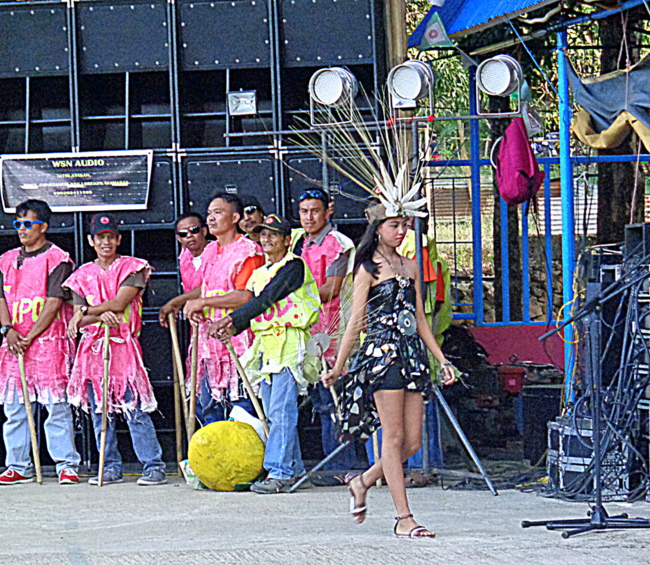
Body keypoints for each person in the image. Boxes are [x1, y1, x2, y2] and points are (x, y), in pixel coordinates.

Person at [322, 203, 456, 538]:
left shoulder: (412, 266)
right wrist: (339, 367)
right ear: (377, 228)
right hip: (382, 355)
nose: (401, 231)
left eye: (404, 225)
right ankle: (403, 518)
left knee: (411, 442)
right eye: (394, 225)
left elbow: (421, 320)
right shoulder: (366, 268)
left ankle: (363, 480)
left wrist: (441, 360)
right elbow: (355, 321)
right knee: (393, 438)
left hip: (411, 354)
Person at [210, 214, 321, 494]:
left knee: (281, 411)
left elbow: (267, 299)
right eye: (263, 234)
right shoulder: (260, 273)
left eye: (274, 234)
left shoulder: (294, 266)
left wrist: (231, 321)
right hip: (268, 346)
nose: (268, 239)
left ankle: (280, 471)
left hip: (289, 342)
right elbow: (259, 308)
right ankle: (293, 469)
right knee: (274, 412)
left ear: (287, 240)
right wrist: (233, 329)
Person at [64, 213, 166, 486]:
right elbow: (78, 320)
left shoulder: (132, 268)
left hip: (123, 346)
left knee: (135, 409)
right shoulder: (81, 276)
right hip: (92, 351)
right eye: (100, 237)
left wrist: (88, 310)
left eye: (111, 237)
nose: (106, 242)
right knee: (100, 413)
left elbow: (120, 304)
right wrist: (96, 316)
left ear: (119, 239)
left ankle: (153, 465)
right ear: (91, 241)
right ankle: (108, 466)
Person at [0, 199, 80, 485]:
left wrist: (31, 335)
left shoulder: (58, 258)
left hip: (47, 342)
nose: (22, 230)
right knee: (15, 407)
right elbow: (1, 298)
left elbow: (54, 301)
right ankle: (17, 465)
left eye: (28, 224)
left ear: (43, 227)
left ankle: (66, 464)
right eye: (18, 224)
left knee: (55, 405)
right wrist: (8, 330)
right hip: (13, 341)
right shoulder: (5, 259)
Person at [183, 193, 264, 424]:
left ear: (235, 217)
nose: (211, 218)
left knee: (243, 407)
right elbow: (207, 289)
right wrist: (192, 303)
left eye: (218, 213)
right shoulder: (209, 250)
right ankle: (217, 460)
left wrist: (204, 302)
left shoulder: (249, 251)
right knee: (208, 406)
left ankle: (246, 460)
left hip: (239, 339)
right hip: (210, 342)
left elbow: (244, 296)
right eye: (209, 213)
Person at [293, 188, 356, 472]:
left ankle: (342, 466)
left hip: (336, 332)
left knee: (337, 404)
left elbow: (333, 288)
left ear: (328, 211)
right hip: (311, 332)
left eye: (315, 210)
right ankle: (333, 466)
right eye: (304, 211)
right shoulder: (301, 242)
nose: (309, 217)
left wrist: (293, 298)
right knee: (321, 403)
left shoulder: (337, 243)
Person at [158, 212, 210, 325]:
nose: (189, 235)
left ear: (204, 231)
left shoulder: (218, 252)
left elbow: (210, 286)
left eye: (194, 230)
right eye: (183, 233)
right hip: (198, 322)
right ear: (179, 239)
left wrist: (175, 302)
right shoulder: (184, 257)